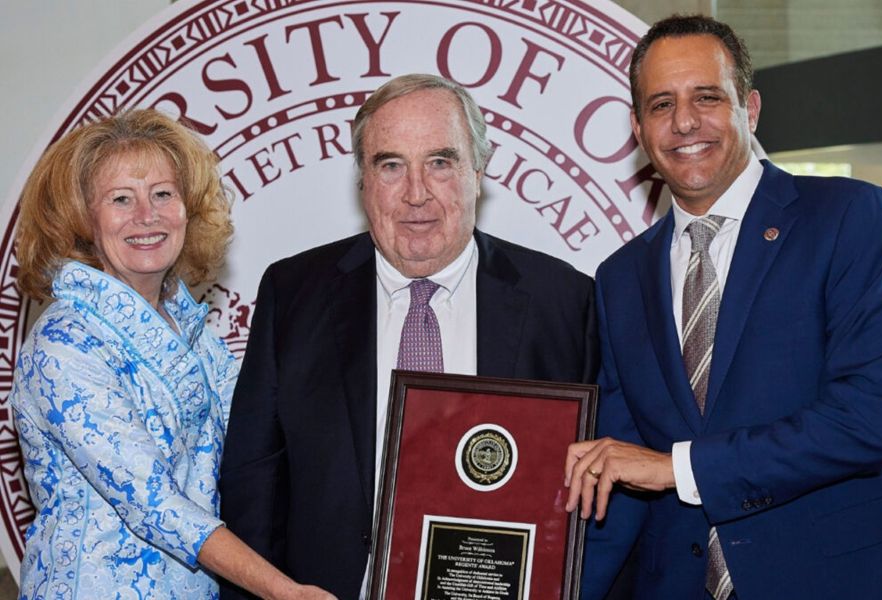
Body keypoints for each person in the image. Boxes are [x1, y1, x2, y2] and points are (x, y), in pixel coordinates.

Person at [219, 73, 600, 599]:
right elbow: (252, 482)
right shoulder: (293, 293)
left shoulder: (563, 301)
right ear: (363, 182)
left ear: (478, 173)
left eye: (440, 163)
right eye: (391, 165)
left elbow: (595, 489)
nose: (416, 193)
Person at [565, 14, 882, 600]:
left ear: (750, 109)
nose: (685, 121)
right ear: (640, 130)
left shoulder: (850, 218)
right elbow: (613, 479)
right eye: (661, 104)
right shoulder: (619, 278)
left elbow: (876, 414)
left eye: (707, 97)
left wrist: (682, 468)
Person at [11, 109, 334, 599]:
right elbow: (155, 504)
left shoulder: (192, 327)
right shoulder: (64, 343)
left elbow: (261, 443)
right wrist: (284, 591)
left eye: (163, 193)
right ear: (82, 219)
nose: (148, 215)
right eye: (121, 199)